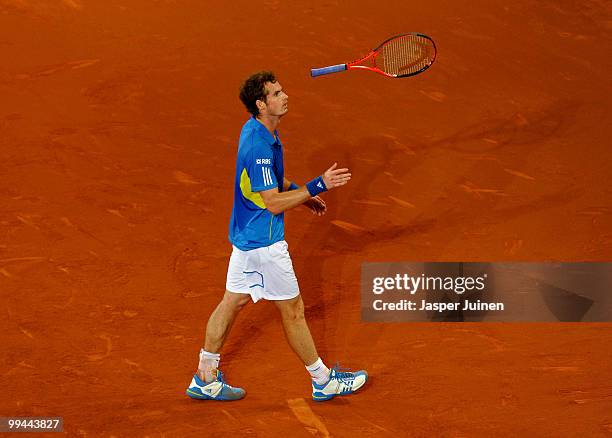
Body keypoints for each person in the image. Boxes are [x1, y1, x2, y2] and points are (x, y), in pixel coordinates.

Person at [186, 71, 367, 402]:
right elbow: (270, 204)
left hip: (244, 240)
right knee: (294, 310)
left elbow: (268, 183)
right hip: (264, 243)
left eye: (283, 91)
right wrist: (317, 186)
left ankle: (204, 376)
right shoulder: (259, 146)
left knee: (232, 302)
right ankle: (323, 381)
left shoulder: (256, 131)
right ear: (261, 103)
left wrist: (300, 193)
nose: (285, 96)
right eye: (276, 93)